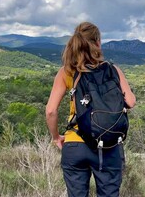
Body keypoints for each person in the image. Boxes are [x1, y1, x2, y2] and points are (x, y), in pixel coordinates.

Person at [45, 22, 136, 197]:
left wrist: (56, 137)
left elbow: (50, 111)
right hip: (108, 146)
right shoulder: (113, 70)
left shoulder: (66, 72)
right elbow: (130, 102)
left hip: (75, 144)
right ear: (98, 43)